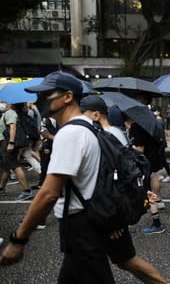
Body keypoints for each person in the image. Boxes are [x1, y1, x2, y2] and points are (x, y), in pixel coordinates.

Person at [0, 71, 113, 282]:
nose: (39, 100)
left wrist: (19, 239)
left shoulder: (70, 134)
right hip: (84, 224)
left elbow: (48, 193)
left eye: (46, 95)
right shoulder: (84, 127)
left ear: (68, 97)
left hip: (81, 226)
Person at [80, 95, 166, 284]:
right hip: (103, 212)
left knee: (127, 262)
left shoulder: (107, 135)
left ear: (95, 115)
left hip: (109, 213)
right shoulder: (107, 133)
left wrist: (113, 220)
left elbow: (116, 178)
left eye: (83, 115)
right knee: (116, 262)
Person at [124, 114, 166, 235]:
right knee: (153, 183)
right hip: (152, 159)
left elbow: (140, 149)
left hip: (144, 162)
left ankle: (157, 224)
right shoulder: (149, 124)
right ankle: (157, 204)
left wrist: (129, 147)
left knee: (147, 192)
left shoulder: (136, 127)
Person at [0, 102, 33, 200]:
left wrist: (11, 143)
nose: (6, 104)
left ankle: (27, 191)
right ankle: (1, 188)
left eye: (7, 102)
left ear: (12, 104)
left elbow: (13, 127)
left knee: (15, 165)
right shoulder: (14, 112)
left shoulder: (10, 112)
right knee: (7, 166)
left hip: (7, 143)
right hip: (6, 143)